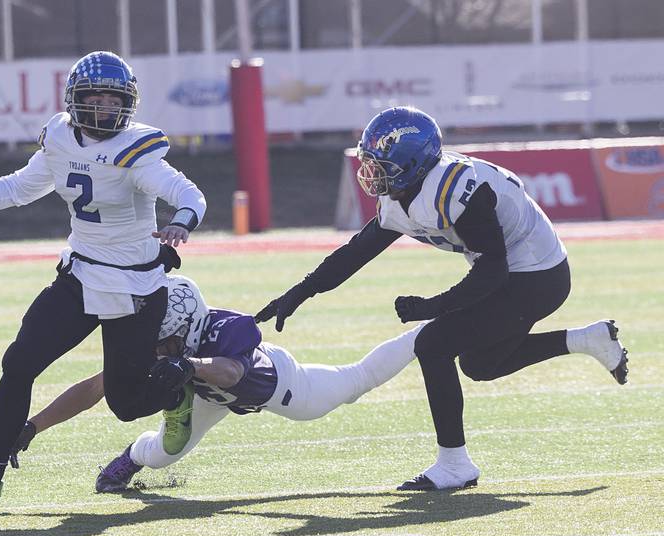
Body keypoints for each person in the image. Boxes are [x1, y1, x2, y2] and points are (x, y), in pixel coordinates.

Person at [254, 106, 629, 491]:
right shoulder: (405, 192)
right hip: (514, 272)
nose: (371, 172)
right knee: (480, 364)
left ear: (413, 164)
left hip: (538, 274)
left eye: (380, 164)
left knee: (434, 344)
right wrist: (300, 291)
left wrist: (431, 307)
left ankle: (455, 465)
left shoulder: (455, 190)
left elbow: (491, 271)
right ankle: (587, 339)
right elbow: (359, 250)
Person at [0, 51, 207, 507]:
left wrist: (182, 219)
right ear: (75, 100)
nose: (104, 108)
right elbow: (21, 187)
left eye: (112, 99)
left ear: (128, 103)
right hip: (80, 275)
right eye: (94, 98)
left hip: (135, 287)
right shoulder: (59, 136)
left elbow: (187, 192)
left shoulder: (136, 149)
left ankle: (175, 390)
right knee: (18, 363)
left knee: (125, 403)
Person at [8, 275, 426, 492]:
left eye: (162, 340)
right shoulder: (165, 344)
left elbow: (232, 373)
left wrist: (187, 364)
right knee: (164, 453)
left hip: (273, 384)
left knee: (355, 383)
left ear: (185, 328)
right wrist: (32, 425)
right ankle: (131, 457)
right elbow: (97, 386)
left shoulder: (227, 329)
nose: (154, 348)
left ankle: (424, 334)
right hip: (202, 393)